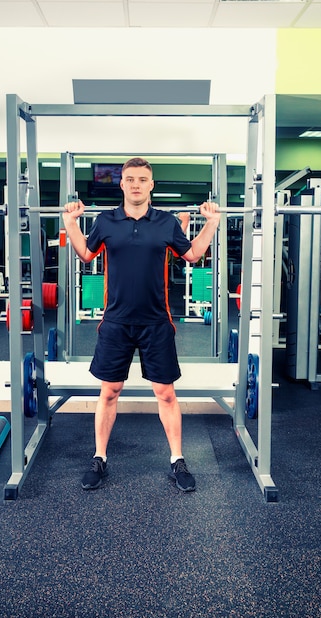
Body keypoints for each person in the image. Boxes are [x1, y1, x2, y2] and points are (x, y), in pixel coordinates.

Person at [63, 157, 220, 492]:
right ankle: (99, 458)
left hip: (156, 321)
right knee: (110, 391)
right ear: (121, 184)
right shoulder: (106, 221)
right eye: (130, 179)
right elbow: (85, 254)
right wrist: (71, 222)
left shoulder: (165, 223)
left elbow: (191, 255)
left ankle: (177, 460)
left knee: (165, 393)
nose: (135, 184)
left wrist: (212, 223)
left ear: (151, 185)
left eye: (142, 179)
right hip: (116, 321)